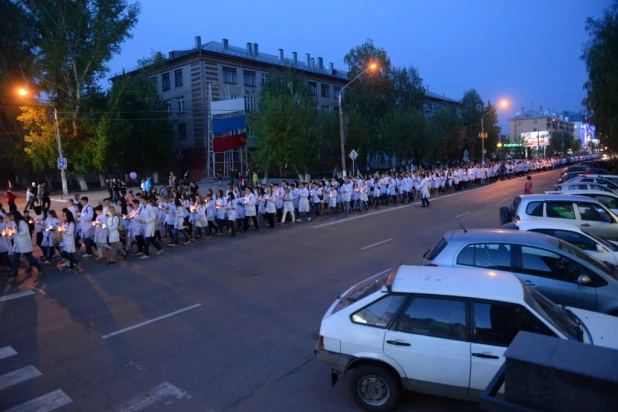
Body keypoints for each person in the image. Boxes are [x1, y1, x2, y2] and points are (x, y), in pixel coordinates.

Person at [8, 210, 44, 282]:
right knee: (14, 259)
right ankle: (15, 275)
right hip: (17, 244)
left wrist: (16, 233)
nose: (11, 217)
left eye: (11, 215)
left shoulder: (22, 222)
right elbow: (13, 231)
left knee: (30, 258)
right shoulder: (13, 222)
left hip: (24, 244)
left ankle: (40, 269)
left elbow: (25, 232)